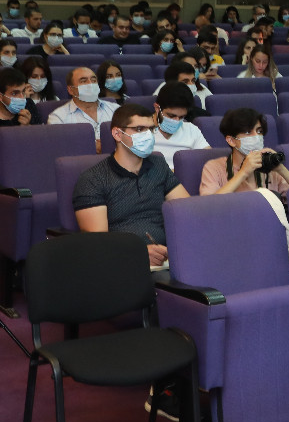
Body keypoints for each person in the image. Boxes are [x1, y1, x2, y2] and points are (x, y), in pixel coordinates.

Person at [73, 104, 190, 271]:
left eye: (151, 129)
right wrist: (137, 252)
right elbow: (98, 242)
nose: (148, 136)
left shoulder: (158, 164)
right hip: (120, 264)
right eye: (139, 129)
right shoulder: (93, 179)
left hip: (168, 257)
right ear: (117, 134)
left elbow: (186, 211)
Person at [200, 107, 289, 197]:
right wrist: (243, 172)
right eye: (248, 132)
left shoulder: (270, 167)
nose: (256, 136)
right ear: (231, 140)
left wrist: (282, 170)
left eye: (259, 131)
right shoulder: (214, 167)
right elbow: (210, 205)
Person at [48, 66, 119, 152]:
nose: (90, 84)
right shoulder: (58, 118)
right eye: (84, 81)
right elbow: (59, 148)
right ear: (71, 90)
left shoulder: (116, 109)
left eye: (93, 80)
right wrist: (90, 146)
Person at [150, 81, 210, 170]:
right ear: (157, 108)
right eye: (171, 116)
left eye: (181, 117)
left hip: (187, 176)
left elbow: (210, 160)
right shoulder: (140, 130)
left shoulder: (191, 129)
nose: (176, 121)